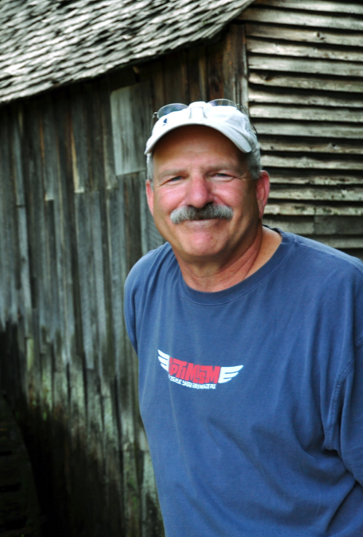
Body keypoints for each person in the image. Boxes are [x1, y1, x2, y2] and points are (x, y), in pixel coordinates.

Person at [124, 100, 363, 536]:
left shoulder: (341, 298)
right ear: (152, 196)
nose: (198, 197)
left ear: (259, 189)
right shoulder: (145, 285)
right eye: (176, 178)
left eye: (220, 174)